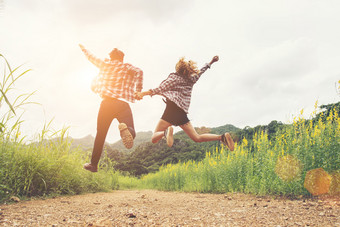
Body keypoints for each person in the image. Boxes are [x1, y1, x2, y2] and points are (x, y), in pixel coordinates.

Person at [135, 56, 234, 151]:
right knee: (197, 138)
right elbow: (201, 71)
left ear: (178, 69)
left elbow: (159, 89)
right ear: (188, 70)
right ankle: (222, 137)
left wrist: (143, 93)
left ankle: (165, 133)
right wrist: (211, 61)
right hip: (182, 113)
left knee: (154, 138)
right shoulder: (191, 79)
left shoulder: (173, 78)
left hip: (172, 109)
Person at [79, 44, 143, 172]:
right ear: (122, 58)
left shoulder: (105, 64)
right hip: (122, 104)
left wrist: (83, 48)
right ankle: (128, 131)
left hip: (106, 104)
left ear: (111, 57)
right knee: (131, 130)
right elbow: (139, 72)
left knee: (100, 134)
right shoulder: (126, 66)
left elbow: (91, 57)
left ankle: (93, 164)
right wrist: (138, 90)